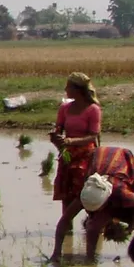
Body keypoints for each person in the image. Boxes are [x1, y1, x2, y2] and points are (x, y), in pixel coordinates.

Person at [50, 145, 134, 261]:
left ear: (105, 202)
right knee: (93, 226)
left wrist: (131, 227)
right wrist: (56, 252)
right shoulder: (85, 194)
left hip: (122, 159)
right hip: (98, 158)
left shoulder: (120, 193)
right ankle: (90, 258)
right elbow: (64, 220)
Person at [50, 72, 101, 212]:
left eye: (68, 87)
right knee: (66, 194)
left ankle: (92, 224)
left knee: (87, 193)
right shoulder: (65, 108)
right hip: (67, 154)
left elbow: (92, 136)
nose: (65, 90)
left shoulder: (93, 109)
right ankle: (67, 229)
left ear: (77, 89)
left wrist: (70, 141)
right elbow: (59, 127)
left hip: (86, 155)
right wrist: (56, 135)